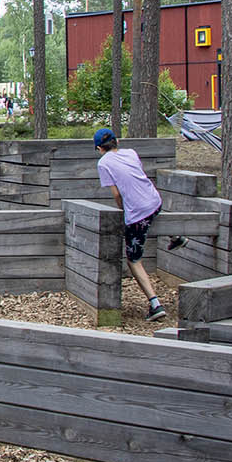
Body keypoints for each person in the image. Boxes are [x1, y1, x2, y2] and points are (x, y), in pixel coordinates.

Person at [93, 128, 168, 322]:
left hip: (137, 214)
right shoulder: (131, 152)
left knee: (133, 261)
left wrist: (124, 211)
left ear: (99, 148)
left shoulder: (104, 163)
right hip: (155, 201)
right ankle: (176, 237)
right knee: (151, 217)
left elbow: (117, 194)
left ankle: (155, 303)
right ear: (117, 141)